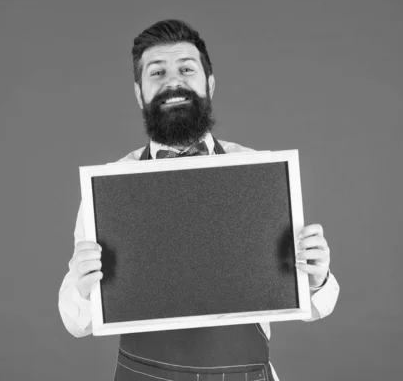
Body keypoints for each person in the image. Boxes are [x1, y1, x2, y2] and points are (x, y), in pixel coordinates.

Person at [59, 19, 340, 381]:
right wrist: (82, 288)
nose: (172, 82)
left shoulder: (260, 174)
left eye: (186, 69)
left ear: (209, 83)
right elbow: (75, 321)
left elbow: (314, 303)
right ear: (138, 93)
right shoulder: (107, 186)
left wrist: (316, 277)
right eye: (156, 72)